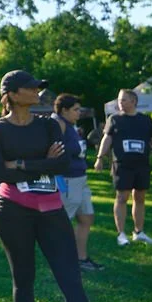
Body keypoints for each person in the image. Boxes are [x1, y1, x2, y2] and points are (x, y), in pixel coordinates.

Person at [0, 71, 112, 302]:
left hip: (52, 210)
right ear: (13, 94)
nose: (38, 92)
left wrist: (22, 165)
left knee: (71, 281)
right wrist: (36, 162)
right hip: (12, 210)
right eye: (31, 88)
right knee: (23, 278)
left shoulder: (47, 125)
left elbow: (62, 163)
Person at [94, 89, 152, 246]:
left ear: (134, 102)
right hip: (122, 165)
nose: (120, 103)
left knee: (140, 198)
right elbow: (107, 140)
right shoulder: (114, 120)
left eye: (124, 100)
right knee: (122, 198)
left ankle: (138, 232)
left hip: (142, 165)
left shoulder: (145, 120)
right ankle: (121, 234)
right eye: (120, 100)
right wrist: (100, 158)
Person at [52, 94, 103, 272]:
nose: (79, 113)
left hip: (80, 179)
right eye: (75, 109)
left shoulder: (71, 126)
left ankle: (81, 258)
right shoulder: (58, 123)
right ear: (64, 110)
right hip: (68, 179)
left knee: (86, 217)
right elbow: (52, 149)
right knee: (64, 222)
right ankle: (61, 260)